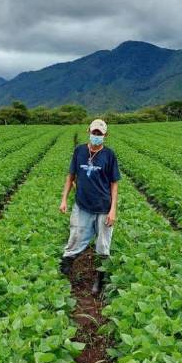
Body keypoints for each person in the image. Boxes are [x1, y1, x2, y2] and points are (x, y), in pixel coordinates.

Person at [59, 118, 120, 294]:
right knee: (75, 239)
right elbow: (70, 176)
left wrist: (113, 209)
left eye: (99, 134)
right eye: (94, 132)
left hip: (103, 206)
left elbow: (114, 183)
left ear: (105, 135)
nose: (96, 136)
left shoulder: (109, 155)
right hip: (82, 205)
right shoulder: (79, 151)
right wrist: (64, 199)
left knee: (103, 245)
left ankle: (100, 281)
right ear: (88, 131)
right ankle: (63, 278)